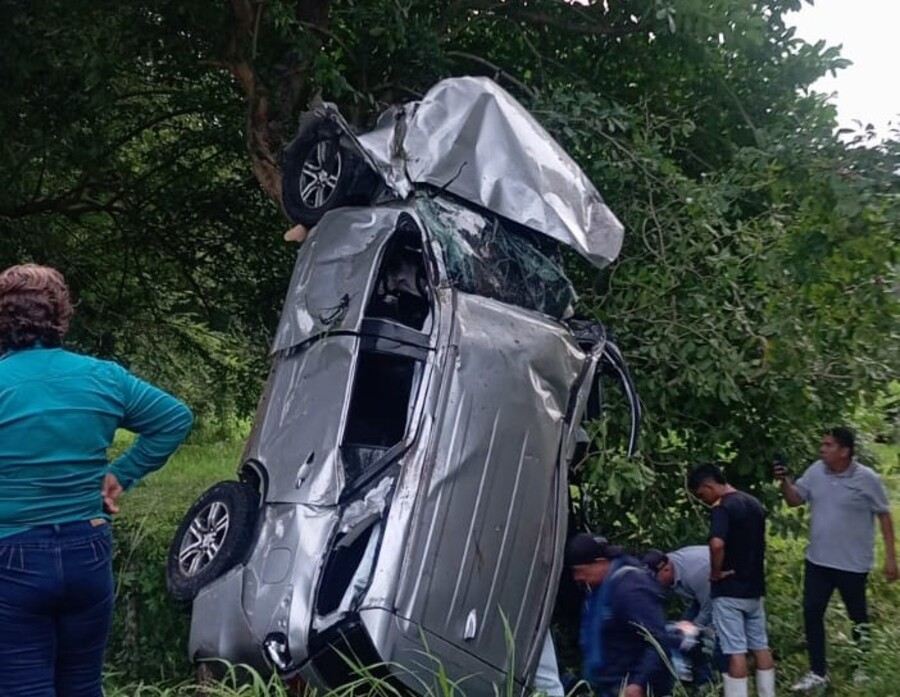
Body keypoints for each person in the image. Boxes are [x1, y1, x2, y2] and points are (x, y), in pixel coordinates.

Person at [0, 264, 193, 697]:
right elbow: (174, 418)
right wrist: (120, 475)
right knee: (83, 686)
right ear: (61, 316)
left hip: (10, 556)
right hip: (87, 550)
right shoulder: (104, 377)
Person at [774, 427, 898, 691]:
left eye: (828, 445)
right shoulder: (816, 470)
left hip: (852, 564)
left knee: (858, 617)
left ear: (844, 451)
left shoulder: (868, 479)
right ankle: (818, 671)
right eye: (823, 444)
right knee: (812, 612)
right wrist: (785, 482)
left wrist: (891, 558)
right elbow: (796, 500)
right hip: (818, 561)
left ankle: (861, 666)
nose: (822, 449)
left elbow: (885, 517)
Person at [688, 464, 775, 697]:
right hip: (754, 587)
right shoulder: (754, 504)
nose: (703, 499)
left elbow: (717, 544)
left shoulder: (722, 508)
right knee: (760, 646)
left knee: (734, 650)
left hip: (729, 591)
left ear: (708, 485)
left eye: (701, 494)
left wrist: (716, 573)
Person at [566, 532, 674, 697]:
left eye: (580, 571)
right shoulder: (596, 591)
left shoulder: (630, 588)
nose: (577, 577)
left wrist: (638, 683)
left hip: (633, 687)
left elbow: (657, 640)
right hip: (608, 685)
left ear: (600, 563)